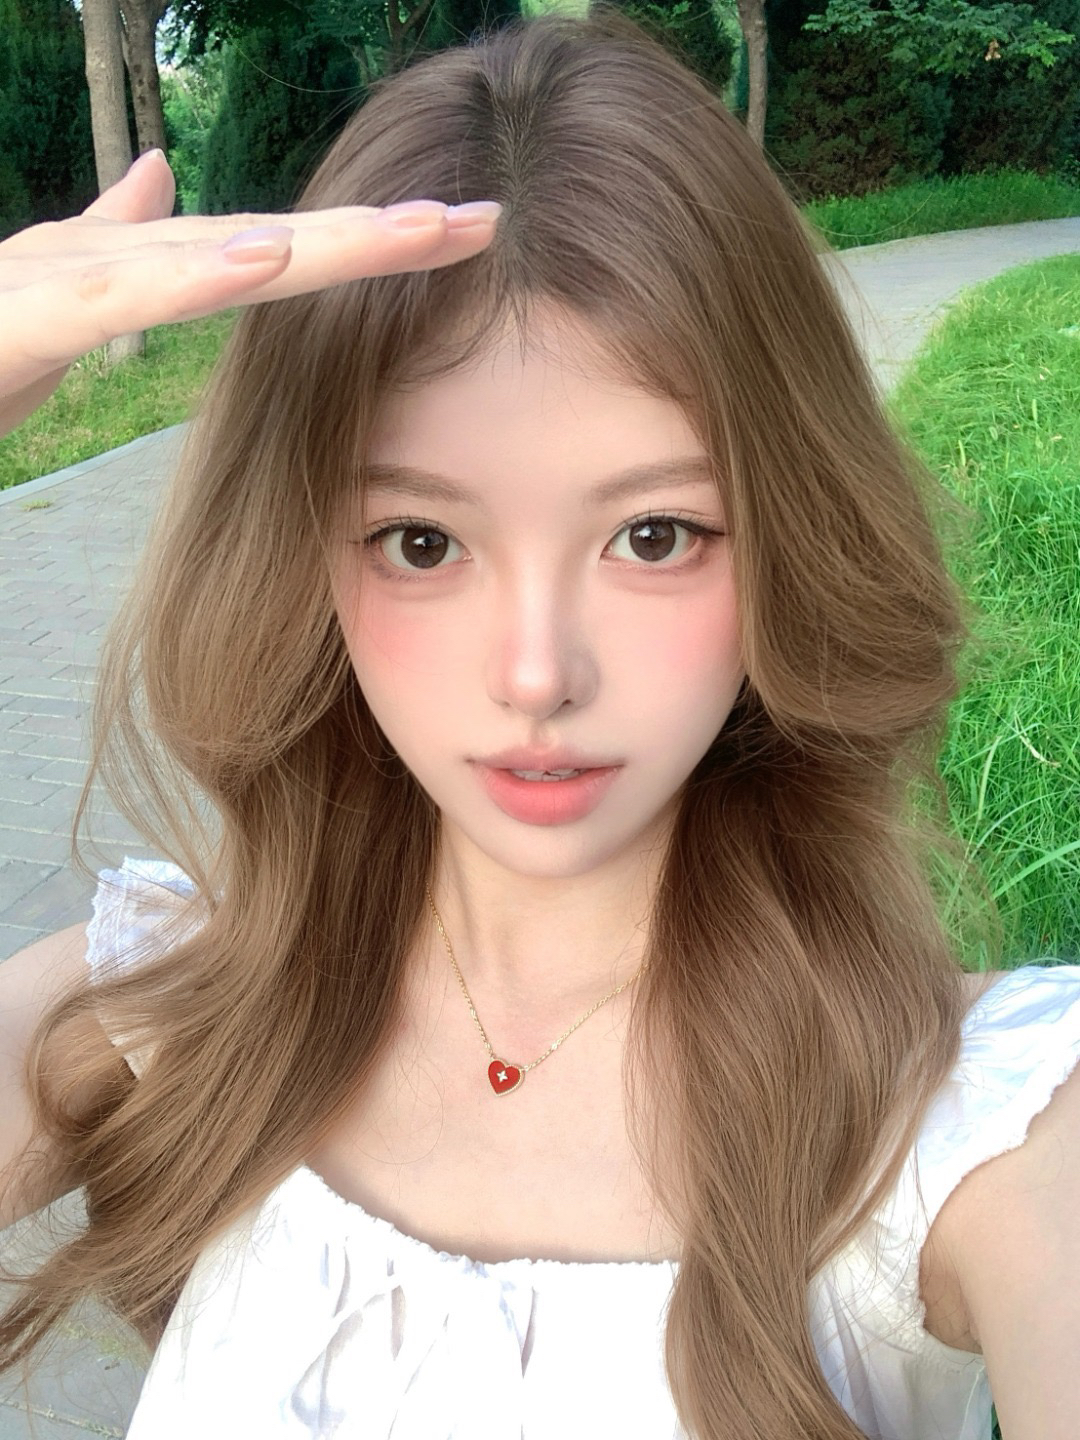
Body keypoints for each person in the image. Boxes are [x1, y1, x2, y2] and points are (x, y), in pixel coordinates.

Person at [0, 7, 1078, 1438]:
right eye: (421, 543)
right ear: (304, 555)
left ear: (790, 534)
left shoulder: (986, 1131)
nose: (534, 676)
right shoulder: (174, 1008)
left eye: (654, 534)